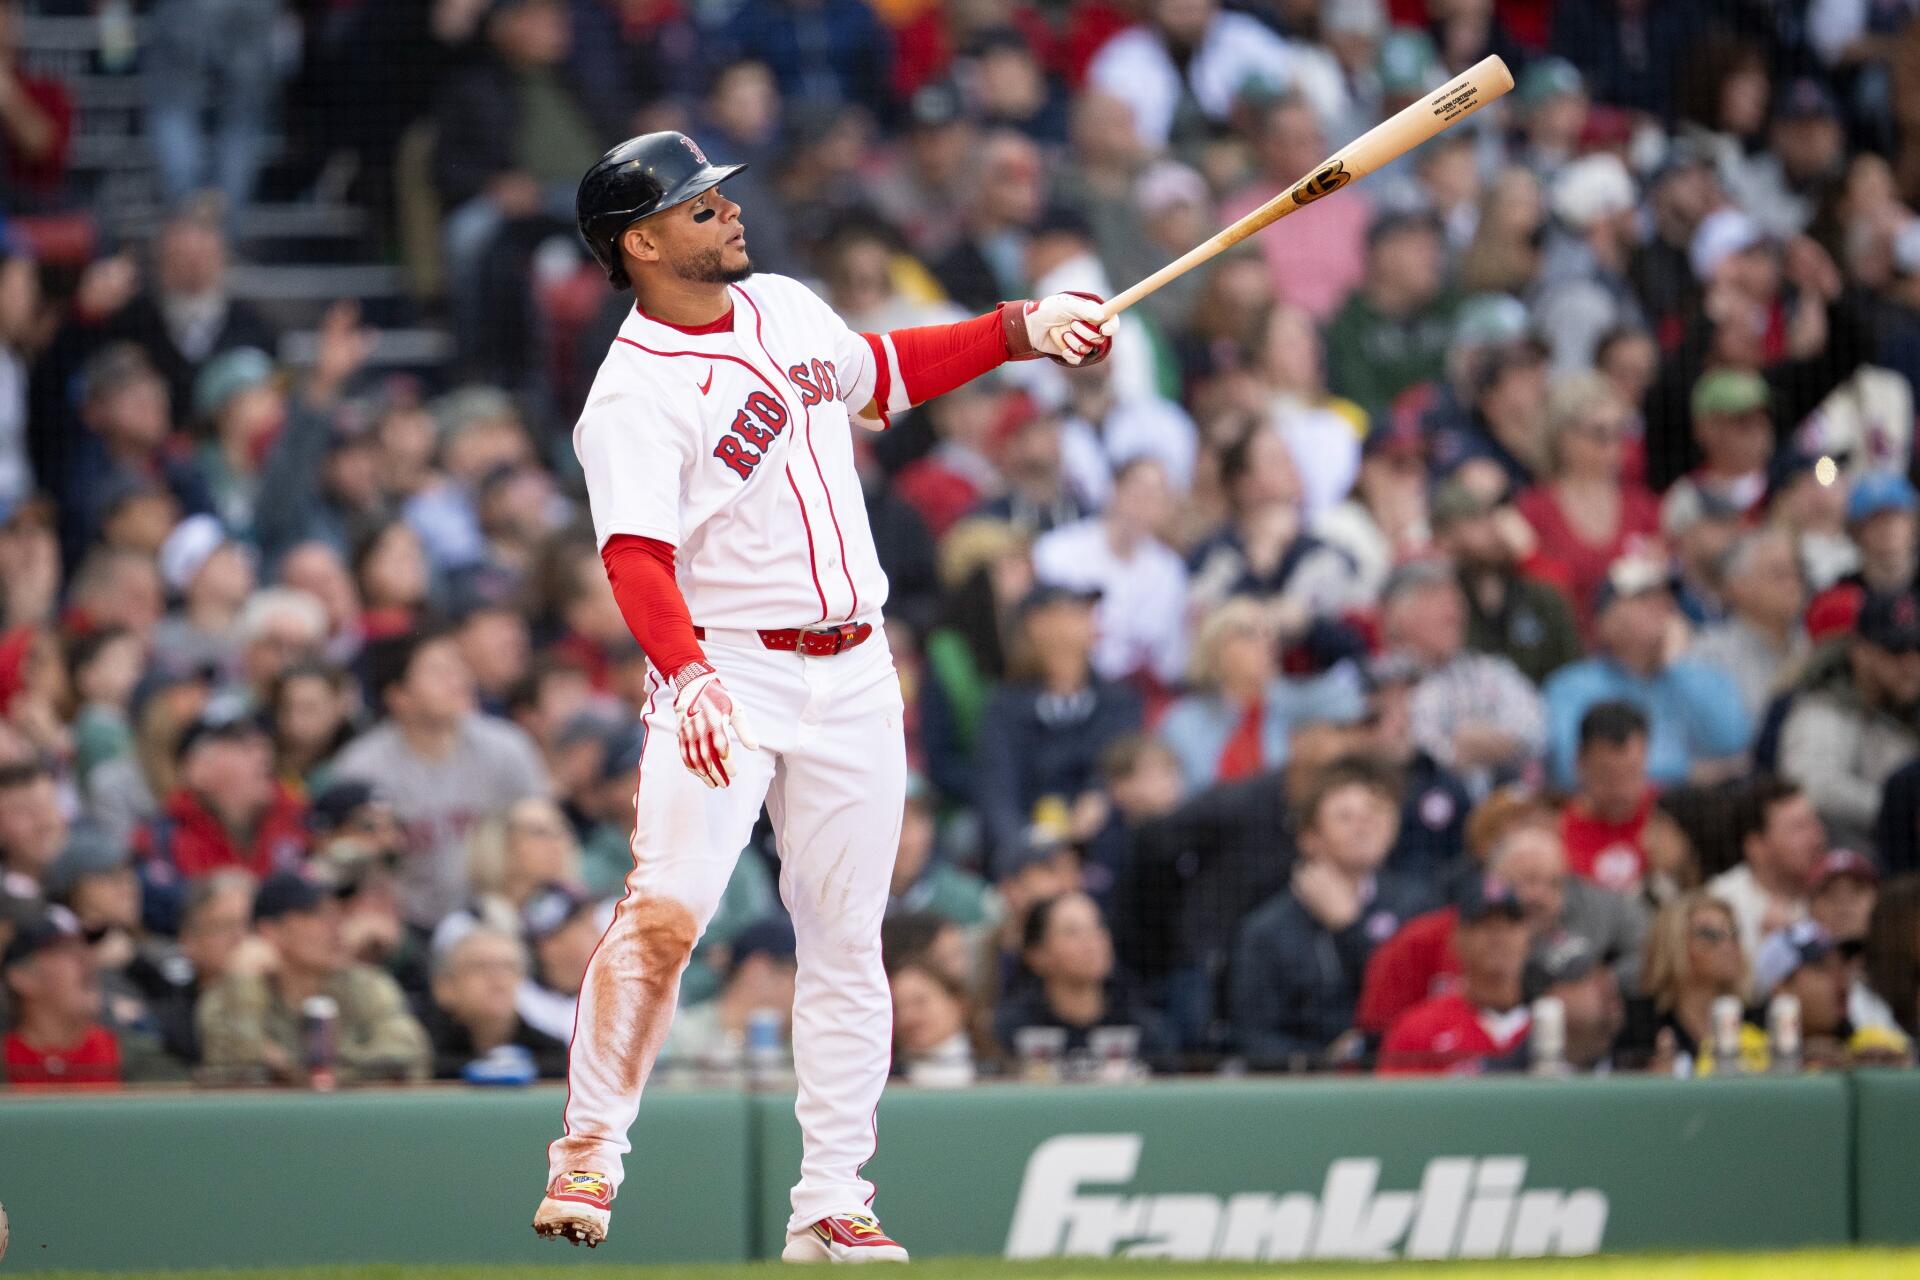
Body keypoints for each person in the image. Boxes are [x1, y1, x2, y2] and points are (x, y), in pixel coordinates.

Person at [537, 131, 1117, 1259]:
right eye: (698, 208)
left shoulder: (789, 306)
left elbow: (884, 373)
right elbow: (636, 559)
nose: (728, 214)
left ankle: (832, 1200)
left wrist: (1019, 331)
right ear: (641, 242)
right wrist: (686, 670)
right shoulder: (631, 395)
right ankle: (591, 1155)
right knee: (669, 906)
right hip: (730, 666)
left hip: (855, 666)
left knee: (849, 937)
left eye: (721, 198)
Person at [329, 627, 548, 931]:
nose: (457, 680)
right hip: (407, 932)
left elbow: (548, 837)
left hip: (504, 921)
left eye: (457, 667)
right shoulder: (362, 770)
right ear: (398, 695)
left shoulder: (507, 748)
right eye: (438, 671)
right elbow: (346, 871)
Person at [1229, 759, 1433, 1068]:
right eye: (1345, 817)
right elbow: (1253, 1037)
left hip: (1400, 1078)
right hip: (1307, 1093)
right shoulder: (1266, 929)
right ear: (1310, 837)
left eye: (1374, 813)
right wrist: (1322, 1060)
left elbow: (1421, 1003)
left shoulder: (1419, 905)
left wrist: (1349, 927)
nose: (1364, 825)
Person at [196, 871, 430, 1086]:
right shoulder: (232, 993)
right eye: (317, 914)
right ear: (271, 930)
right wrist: (243, 986)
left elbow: (406, 1058)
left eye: (338, 912)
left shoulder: (366, 983)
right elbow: (233, 1076)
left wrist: (290, 1070)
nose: (336, 925)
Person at [1542, 556, 1751, 791]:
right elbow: (1571, 770)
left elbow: (1734, 747)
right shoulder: (1573, 686)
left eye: (1664, 597)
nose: (1660, 606)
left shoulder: (1697, 675)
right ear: (1605, 621)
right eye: (1642, 597)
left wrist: (1678, 666)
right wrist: (1688, 773)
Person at [975, 585, 1142, 875]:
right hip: (1029, 855)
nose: (1090, 618)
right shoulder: (1003, 707)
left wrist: (1100, 797)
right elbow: (998, 790)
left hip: (1108, 853)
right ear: (1038, 624)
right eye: (1075, 610)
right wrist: (1029, 849)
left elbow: (1126, 768)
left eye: (1090, 610)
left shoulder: (1119, 701)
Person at [1156, 595, 1364, 791]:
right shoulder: (1183, 722)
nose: (1266, 644)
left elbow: (1353, 696)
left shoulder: (1293, 702)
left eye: (1271, 635)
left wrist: (1308, 627)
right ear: (1214, 649)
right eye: (1248, 634)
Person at [1380, 560, 1545, 796]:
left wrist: (1491, 742)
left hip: (1493, 808)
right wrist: (1455, 749)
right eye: (1434, 598)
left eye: (1456, 600)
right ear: (1397, 615)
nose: (1453, 611)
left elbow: (1535, 729)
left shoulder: (1489, 671)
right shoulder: (1373, 678)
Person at [1514, 372, 1661, 631]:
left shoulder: (1643, 506)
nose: (1614, 444)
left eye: (1621, 431)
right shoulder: (1533, 510)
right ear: (1562, 438)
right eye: (1600, 433)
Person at [1777, 591, 1920, 853]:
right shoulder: (1822, 710)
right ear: (1860, 651)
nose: (1910, 662)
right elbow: (1813, 786)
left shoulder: (1907, 703)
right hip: (1846, 864)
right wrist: (1900, 807)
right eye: (1896, 650)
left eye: (1917, 648)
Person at [1030, 457, 1189, 688]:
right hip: (1060, 683)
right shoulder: (1056, 551)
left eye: (1156, 497)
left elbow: (1170, 662)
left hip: (1133, 695)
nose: (1144, 504)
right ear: (1114, 489)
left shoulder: (1170, 571)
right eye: (1138, 491)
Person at [2, 907, 180, 1086]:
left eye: (86, 948)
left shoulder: (143, 1061)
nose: (87, 958)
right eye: (66, 950)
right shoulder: (6, 1066)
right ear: (22, 976)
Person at [1431, 478, 1581, 686]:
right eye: (1476, 520)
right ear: (1444, 538)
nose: (1495, 528)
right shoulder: (1441, 607)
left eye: (1495, 515)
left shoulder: (1543, 599)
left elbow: (1574, 678)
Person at [991, 889, 1170, 1064]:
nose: (1092, 942)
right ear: (1037, 955)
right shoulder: (1012, 1030)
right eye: (1073, 932)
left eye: (1098, 927)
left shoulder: (1143, 1028)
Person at [1377, 877, 1532, 1075]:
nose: (1499, 937)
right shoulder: (1418, 1029)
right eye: (1483, 925)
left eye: (1509, 925)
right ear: (1457, 939)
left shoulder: (1559, 1021)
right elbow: (1392, 1103)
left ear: (1527, 936)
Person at [1324, 212, 1461, 424]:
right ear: (1383, 254)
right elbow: (1363, 404)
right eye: (1420, 248)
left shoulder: (1450, 309)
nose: (1434, 258)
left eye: (1436, 247)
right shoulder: (1349, 327)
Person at [1621, 892, 1760, 1074]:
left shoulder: (1757, 1018)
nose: (1728, 945)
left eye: (1733, 933)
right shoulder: (1641, 1024)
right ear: (1674, 943)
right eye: (1710, 935)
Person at [1686, 529, 1813, 726]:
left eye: (1797, 573)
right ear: (1737, 586)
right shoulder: (1710, 655)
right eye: (1779, 574)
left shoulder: (1814, 645)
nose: (1794, 584)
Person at [1708, 777, 1825, 972]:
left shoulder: (1833, 894)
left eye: (1814, 823)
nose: (1816, 838)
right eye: (1798, 828)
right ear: (1755, 846)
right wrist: (1769, 950)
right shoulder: (1721, 903)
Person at [425, 924, 568, 1081]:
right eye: (480, 966)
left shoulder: (551, 1054)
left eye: (509, 967)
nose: (497, 977)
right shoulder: (424, 1051)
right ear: (444, 987)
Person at [659, 916, 798, 1076]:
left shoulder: (802, 1048)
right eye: (798, 974)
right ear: (759, 970)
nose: (807, 990)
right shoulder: (678, 1038)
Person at [1559, 702, 1660, 895]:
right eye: (1608, 776)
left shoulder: (1668, 816)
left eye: (1631, 773)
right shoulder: (1558, 831)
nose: (1622, 791)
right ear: (1580, 761)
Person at [1752, 920, 1852, 1067]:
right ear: (1782, 987)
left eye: (1842, 965)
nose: (1841, 978)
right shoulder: (1742, 1050)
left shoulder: (1870, 1045)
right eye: (1822, 967)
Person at [1519, 933, 1624, 1074]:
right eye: (1584, 976)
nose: (1607, 981)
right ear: (1547, 999)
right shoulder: (1506, 1076)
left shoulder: (1640, 1068)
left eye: (1602, 970)